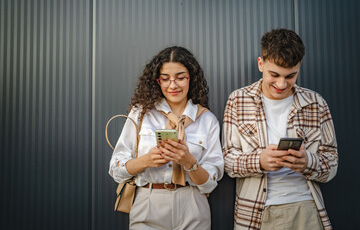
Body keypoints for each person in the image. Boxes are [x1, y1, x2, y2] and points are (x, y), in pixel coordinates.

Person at [222, 29, 338, 230]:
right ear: (261, 64)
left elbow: (332, 163)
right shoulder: (237, 100)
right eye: (274, 74)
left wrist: (308, 162)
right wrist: (259, 160)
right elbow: (227, 161)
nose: (281, 84)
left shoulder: (316, 103)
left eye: (290, 76)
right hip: (255, 213)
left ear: (299, 66)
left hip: (306, 208)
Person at [109, 46, 224, 230]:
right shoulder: (141, 113)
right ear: (157, 81)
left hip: (193, 203)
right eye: (165, 79)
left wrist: (189, 162)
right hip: (148, 201)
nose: (173, 85)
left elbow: (210, 184)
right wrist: (146, 160)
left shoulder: (207, 120)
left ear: (191, 78)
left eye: (180, 77)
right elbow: (116, 169)